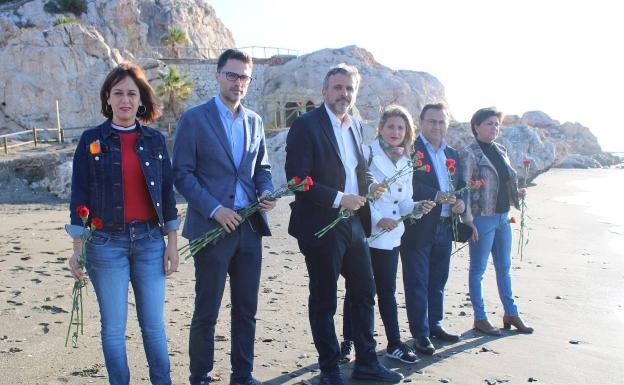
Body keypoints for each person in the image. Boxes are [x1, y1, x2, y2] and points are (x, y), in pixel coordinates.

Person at [285, 64, 403, 385]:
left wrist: (369, 185)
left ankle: (366, 362)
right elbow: (297, 179)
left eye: (349, 88)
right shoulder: (306, 125)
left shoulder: (355, 126)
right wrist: (340, 198)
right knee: (324, 299)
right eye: (338, 88)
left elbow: (356, 169)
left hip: (354, 224)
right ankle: (329, 370)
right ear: (324, 92)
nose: (344, 94)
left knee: (364, 292)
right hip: (321, 224)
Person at [66, 63, 180, 385]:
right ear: (108, 97)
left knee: (154, 326)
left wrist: (172, 244)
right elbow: (79, 198)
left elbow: (168, 195)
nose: (125, 100)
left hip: (149, 243)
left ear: (141, 100)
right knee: (114, 328)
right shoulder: (91, 141)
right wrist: (78, 250)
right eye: (118, 93)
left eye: (132, 93)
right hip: (105, 245)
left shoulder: (155, 141)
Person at [172, 49, 275, 385]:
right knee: (207, 310)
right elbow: (183, 174)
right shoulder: (194, 119)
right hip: (211, 228)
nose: (238, 82)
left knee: (246, 309)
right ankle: (200, 376)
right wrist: (215, 209)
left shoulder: (255, 121)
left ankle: (242, 375)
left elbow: (262, 168)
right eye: (231, 75)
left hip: (250, 228)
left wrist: (266, 191)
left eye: (244, 76)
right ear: (217, 75)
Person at [340, 105, 435, 365]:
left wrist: (417, 208)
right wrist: (375, 218)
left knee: (387, 290)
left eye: (401, 127)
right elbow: (358, 190)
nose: (395, 132)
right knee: (357, 290)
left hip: (392, 237)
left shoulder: (407, 162)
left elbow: (404, 202)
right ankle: (348, 342)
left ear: (407, 132)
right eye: (391, 126)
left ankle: (394, 342)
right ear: (381, 128)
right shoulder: (367, 154)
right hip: (365, 233)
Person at [460, 107, 534, 335]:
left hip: (503, 217)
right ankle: (480, 318)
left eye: (496, 124)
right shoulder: (470, 153)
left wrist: (515, 194)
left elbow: (504, 182)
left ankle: (511, 313)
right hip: (482, 218)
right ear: (476, 127)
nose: (494, 128)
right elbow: (464, 188)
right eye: (489, 123)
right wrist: (468, 221)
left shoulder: (500, 150)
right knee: (478, 270)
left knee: (504, 268)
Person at [400, 103, 465, 356]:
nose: (437, 126)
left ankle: (435, 324)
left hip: (445, 227)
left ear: (446, 125)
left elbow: (458, 186)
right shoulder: (410, 150)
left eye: (441, 122)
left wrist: (461, 202)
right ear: (421, 123)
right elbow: (407, 185)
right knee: (417, 281)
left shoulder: (453, 154)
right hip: (419, 225)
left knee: (438, 280)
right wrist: (436, 195)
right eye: (432, 121)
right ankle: (420, 334)